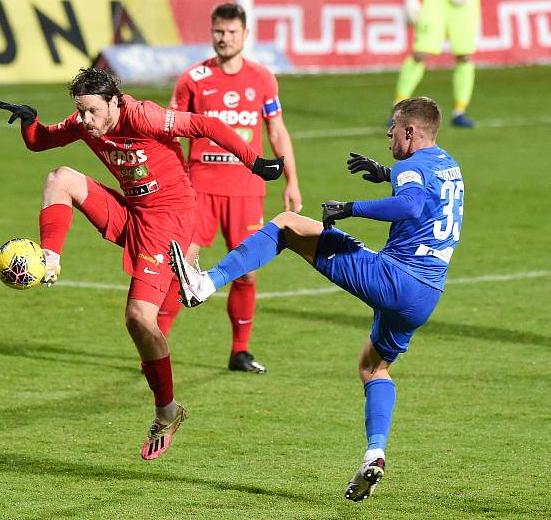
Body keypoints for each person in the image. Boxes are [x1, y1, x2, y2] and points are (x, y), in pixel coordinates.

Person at [169, 97, 463, 500]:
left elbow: (411, 204)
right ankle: (374, 453)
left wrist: (351, 208)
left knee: (288, 225)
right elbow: (422, 191)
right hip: (426, 295)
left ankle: (206, 282)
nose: (388, 133)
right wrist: (386, 174)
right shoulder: (448, 165)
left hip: (394, 277)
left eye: (393, 126)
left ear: (410, 132)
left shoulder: (412, 167)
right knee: (373, 368)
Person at [0, 68, 284, 461]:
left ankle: (167, 411)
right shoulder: (86, 122)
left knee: (137, 318)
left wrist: (254, 161)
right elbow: (42, 142)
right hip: (134, 210)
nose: (84, 120)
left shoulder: (143, 115)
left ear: (115, 102)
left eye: (92, 112)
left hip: (171, 218)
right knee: (59, 176)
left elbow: (206, 123)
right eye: (80, 111)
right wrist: (30, 124)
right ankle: (50, 259)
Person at [159, 2, 302, 374]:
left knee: (247, 271)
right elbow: (169, 132)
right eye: (219, 33)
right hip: (199, 190)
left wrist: (292, 180)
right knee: (181, 267)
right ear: (212, 33)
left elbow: (276, 131)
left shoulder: (262, 79)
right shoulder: (192, 79)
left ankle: (240, 351)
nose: (224, 39)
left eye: (232, 33)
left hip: (246, 190)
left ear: (245, 35)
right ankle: (155, 346)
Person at [394, 0, 480, 128]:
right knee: (420, 53)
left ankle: (460, 111)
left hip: (463, 1)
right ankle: (398, 107)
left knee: (465, 55)